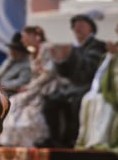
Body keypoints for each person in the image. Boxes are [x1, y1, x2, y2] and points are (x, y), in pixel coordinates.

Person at [40, 13, 108, 148]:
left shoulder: (98, 45)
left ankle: (73, 140)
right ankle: (56, 139)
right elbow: (64, 73)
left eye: (82, 25)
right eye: (75, 26)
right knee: (50, 101)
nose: (78, 29)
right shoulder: (74, 47)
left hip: (89, 85)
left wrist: (71, 54)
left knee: (76, 102)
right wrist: (59, 60)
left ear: (91, 29)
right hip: (73, 86)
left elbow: (88, 70)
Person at [76, 22, 118, 149]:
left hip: (113, 93)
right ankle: (89, 140)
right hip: (105, 91)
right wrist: (111, 56)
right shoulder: (112, 50)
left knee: (101, 103)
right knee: (89, 98)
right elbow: (101, 75)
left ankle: (100, 140)